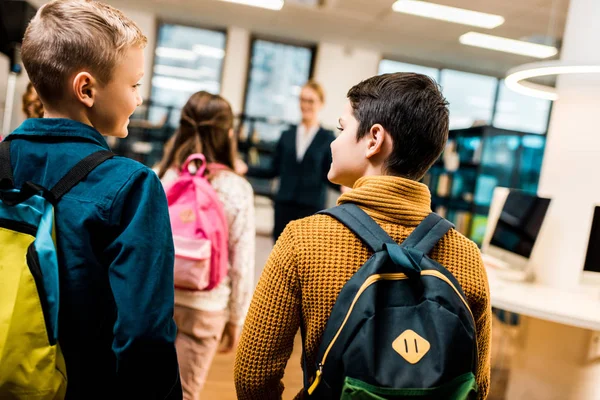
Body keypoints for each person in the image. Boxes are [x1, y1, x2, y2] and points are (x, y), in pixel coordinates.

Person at [234, 73, 492, 399]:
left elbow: (253, 376)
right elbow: (477, 387)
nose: (333, 141)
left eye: (342, 129)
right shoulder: (466, 255)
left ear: (374, 139)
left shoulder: (304, 240)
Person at [5, 0, 181, 397]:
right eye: (134, 85)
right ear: (86, 88)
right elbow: (144, 336)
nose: (138, 99)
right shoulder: (132, 186)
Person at [156, 91, 255, 399]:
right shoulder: (237, 189)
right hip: (207, 308)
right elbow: (242, 265)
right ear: (228, 134)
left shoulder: (165, 176)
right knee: (185, 392)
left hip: (159, 300)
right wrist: (235, 320)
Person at [246, 80, 339, 241]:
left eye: (310, 101)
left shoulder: (327, 138)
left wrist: (345, 186)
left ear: (321, 103)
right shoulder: (286, 135)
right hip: (284, 206)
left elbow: (328, 174)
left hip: (311, 208)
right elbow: (272, 170)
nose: (305, 105)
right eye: (302, 100)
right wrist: (245, 169)